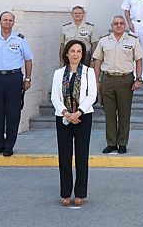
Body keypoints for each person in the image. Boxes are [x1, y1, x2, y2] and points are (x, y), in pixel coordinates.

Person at [0, 11, 34, 157]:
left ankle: (9, 146)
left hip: (14, 78)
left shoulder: (20, 40)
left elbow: (28, 60)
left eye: (10, 20)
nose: (7, 22)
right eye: (5, 20)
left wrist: (28, 79)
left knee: (13, 113)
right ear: (0, 22)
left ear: (13, 23)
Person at [51, 40, 96, 207]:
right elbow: (55, 97)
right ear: (67, 54)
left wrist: (78, 112)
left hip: (83, 117)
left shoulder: (88, 72)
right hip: (63, 117)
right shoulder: (58, 73)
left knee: (82, 155)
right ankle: (65, 193)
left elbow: (92, 95)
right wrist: (66, 113)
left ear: (82, 54)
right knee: (64, 155)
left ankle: (80, 193)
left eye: (78, 51)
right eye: (72, 51)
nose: (75, 54)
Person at [93, 16, 143, 154]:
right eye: (116, 23)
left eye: (121, 23)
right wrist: (96, 81)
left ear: (125, 25)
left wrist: (138, 79)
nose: (119, 26)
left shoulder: (132, 40)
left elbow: (139, 60)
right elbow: (97, 61)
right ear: (112, 25)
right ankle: (111, 143)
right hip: (108, 79)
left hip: (125, 80)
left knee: (124, 113)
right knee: (109, 114)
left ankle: (122, 143)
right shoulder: (104, 41)